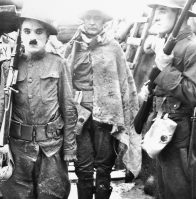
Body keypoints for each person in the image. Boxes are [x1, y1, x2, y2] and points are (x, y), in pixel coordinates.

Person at [0, 3, 78, 199]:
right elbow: (2, 105)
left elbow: (69, 108)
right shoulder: (9, 67)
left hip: (52, 147)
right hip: (18, 148)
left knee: (52, 194)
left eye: (39, 32)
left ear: (47, 36)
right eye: (27, 31)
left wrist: (70, 148)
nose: (33, 37)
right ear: (20, 34)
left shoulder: (58, 64)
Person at [64, 4, 141, 199]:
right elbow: (63, 80)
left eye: (96, 18)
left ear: (102, 22)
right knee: (83, 166)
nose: (91, 22)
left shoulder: (113, 47)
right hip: (79, 115)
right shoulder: (72, 46)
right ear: (83, 20)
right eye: (88, 17)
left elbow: (124, 81)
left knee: (104, 166)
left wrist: (126, 111)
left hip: (106, 116)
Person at [138, 0, 196, 198]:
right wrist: (150, 88)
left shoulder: (191, 47)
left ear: (180, 15)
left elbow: (194, 93)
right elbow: (166, 83)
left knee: (178, 190)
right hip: (162, 125)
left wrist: (165, 70)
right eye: (156, 11)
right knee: (163, 190)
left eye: (162, 10)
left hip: (181, 131)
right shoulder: (167, 43)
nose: (157, 16)